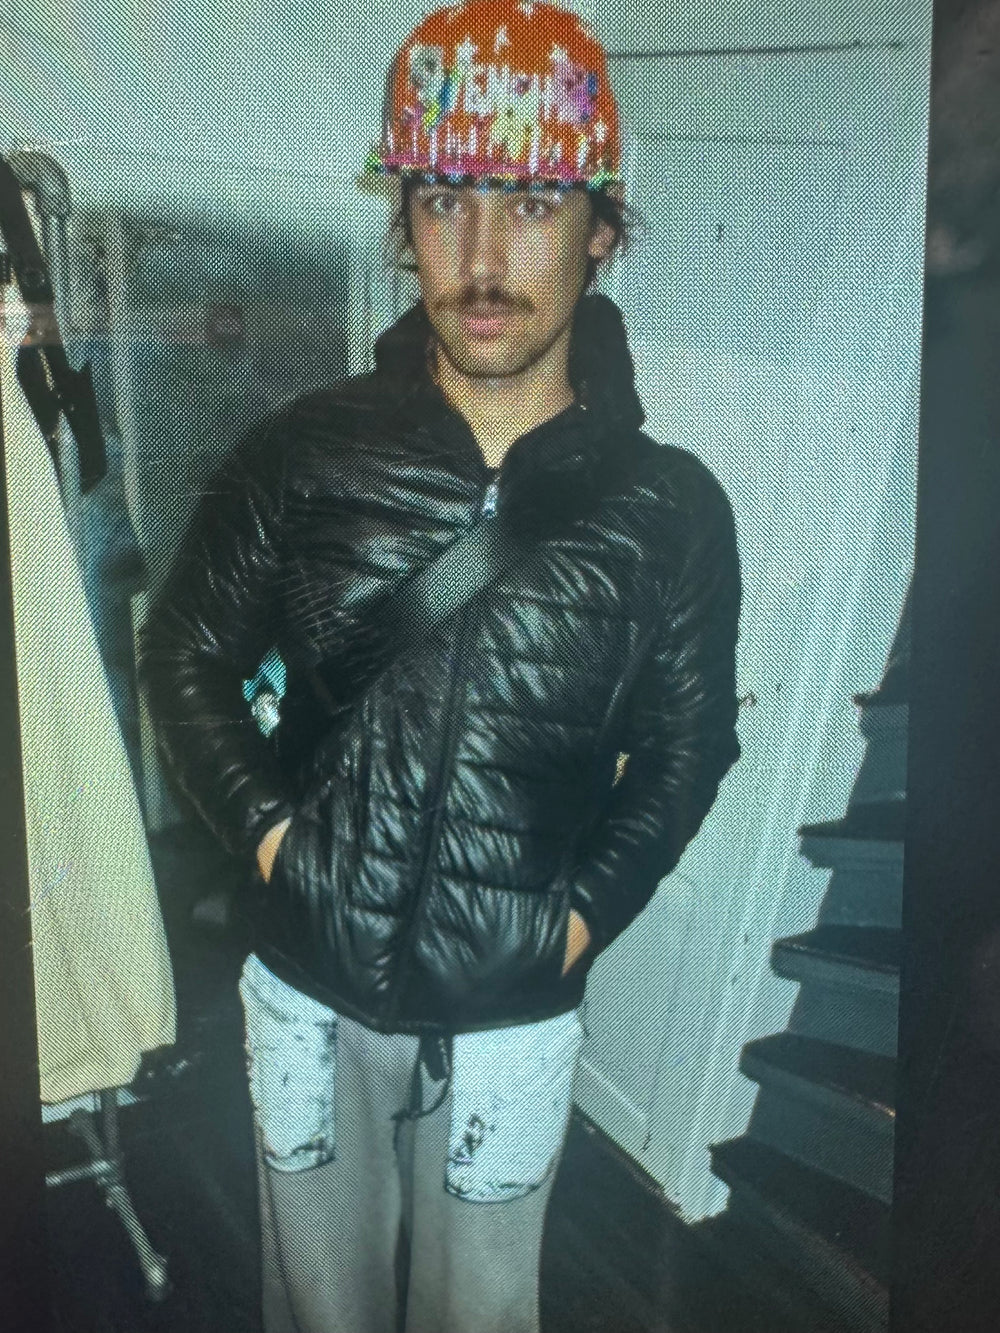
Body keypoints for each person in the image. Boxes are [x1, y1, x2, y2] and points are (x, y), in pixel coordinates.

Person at [140, 3, 742, 1330]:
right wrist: (276, 845)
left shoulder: (671, 512)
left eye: (528, 200)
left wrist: (571, 921)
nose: (481, 255)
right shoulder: (300, 456)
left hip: (516, 1011)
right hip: (308, 984)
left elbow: (694, 747)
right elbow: (185, 653)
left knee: (485, 1314)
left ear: (601, 226)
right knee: (323, 1304)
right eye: (441, 200)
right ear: (402, 220)